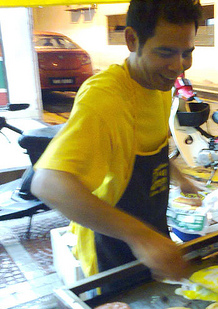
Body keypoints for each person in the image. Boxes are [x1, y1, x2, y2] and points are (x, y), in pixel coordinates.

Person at [31, 0, 203, 283]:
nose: (178, 66)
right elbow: (48, 184)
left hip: (154, 237)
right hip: (109, 249)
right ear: (132, 39)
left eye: (187, 53)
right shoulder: (105, 99)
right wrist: (141, 237)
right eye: (166, 52)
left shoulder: (157, 85)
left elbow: (149, 148)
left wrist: (180, 178)